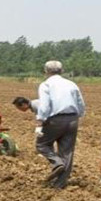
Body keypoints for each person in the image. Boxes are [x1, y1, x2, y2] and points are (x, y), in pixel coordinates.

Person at [35, 60, 85, 189]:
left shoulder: (46, 85)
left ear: (46, 71)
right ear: (62, 71)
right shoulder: (72, 84)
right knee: (67, 152)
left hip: (55, 119)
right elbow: (80, 103)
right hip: (73, 119)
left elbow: (44, 105)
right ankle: (59, 184)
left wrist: (40, 121)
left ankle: (57, 163)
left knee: (42, 144)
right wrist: (77, 116)